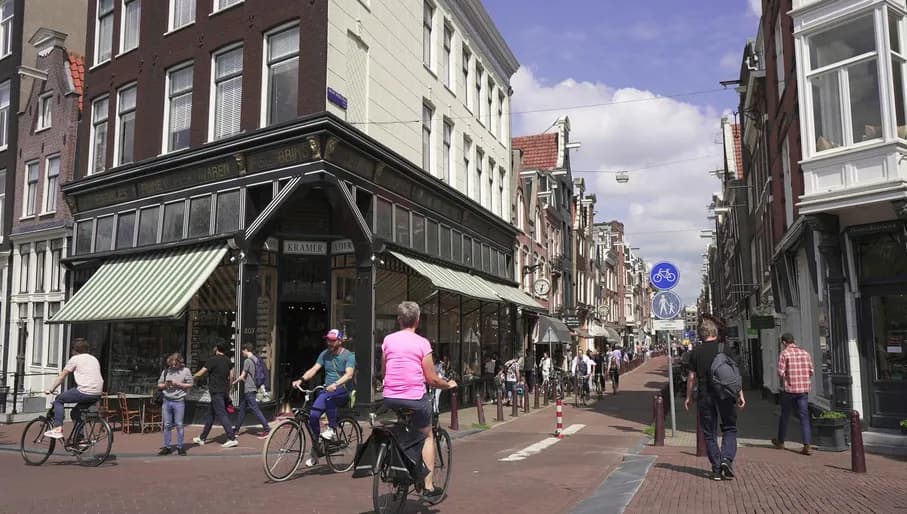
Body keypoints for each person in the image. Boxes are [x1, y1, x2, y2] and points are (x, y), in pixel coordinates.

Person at [381, 301, 457, 505]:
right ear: (418, 320)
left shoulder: (388, 340)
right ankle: (429, 486)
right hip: (414, 398)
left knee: (402, 428)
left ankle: (399, 464)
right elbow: (431, 379)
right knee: (427, 435)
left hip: (390, 397)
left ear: (399, 320)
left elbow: (384, 371)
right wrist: (448, 384)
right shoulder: (422, 343)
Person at [684, 317, 746, 481]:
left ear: (701, 334)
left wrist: (689, 396)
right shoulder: (724, 348)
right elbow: (734, 374)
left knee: (709, 433)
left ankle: (717, 468)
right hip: (726, 394)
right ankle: (726, 459)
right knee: (730, 428)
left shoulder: (696, 352)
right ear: (715, 332)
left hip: (705, 395)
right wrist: (740, 393)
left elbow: (691, 378)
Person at [292, 328, 356, 467]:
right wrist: (301, 380)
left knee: (329, 399)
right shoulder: (324, 354)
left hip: (343, 390)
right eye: (328, 340)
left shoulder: (349, 356)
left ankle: (332, 429)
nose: (329, 343)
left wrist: (336, 384)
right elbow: (314, 369)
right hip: (327, 390)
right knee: (313, 415)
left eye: (332, 340)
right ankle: (316, 449)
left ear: (340, 341)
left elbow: (349, 374)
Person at [43, 338, 104, 439]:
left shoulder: (75, 359)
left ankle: (57, 429)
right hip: (97, 393)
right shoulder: (93, 359)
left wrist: (51, 389)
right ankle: (80, 439)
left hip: (85, 391)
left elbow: (62, 377)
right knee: (75, 413)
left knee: (59, 400)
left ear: (74, 350)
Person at [772, 333, 815, 455]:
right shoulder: (805, 353)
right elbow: (811, 371)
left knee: (785, 415)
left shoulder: (784, 354)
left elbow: (780, 373)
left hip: (790, 390)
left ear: (784, 342)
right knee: (804, 417)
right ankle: (807, 445)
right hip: (803, 390)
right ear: (793, 340)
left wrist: (787, 375)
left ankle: (781, 442)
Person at [193, 343, 238, 448]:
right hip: (224, 391)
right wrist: (229, 389)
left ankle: (232, 438)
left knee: (222, 415)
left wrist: (190, 377)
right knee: (211, 415)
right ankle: (202, 438)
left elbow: (201, 373)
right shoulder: (227, 360)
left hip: (216, 392)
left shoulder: (212, 360)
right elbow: (232, 376)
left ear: (216, 348)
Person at [157, 352, 193, 455]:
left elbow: (190, 384)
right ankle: (167, 447)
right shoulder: (166, 371)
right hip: (167, 400)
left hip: (179, 401)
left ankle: (180, 447)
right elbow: (159, 385)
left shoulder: (185, 371)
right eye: (171, 364)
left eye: (175, 364)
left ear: (180, 362)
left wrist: (178, 384)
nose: (173, 366)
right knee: (167, 424)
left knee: (179, 424)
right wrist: (165, 385)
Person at [232, 343, 271, 439]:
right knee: (242, 409)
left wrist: (234, 382)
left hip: (249, 389)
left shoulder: (247, 361)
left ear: (246, 350)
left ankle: (267, 428)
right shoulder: (256, 359)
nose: (242, 353)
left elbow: (242, 376)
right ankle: (236, 429)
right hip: (254, 387)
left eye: (242, 351)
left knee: (255, 409)